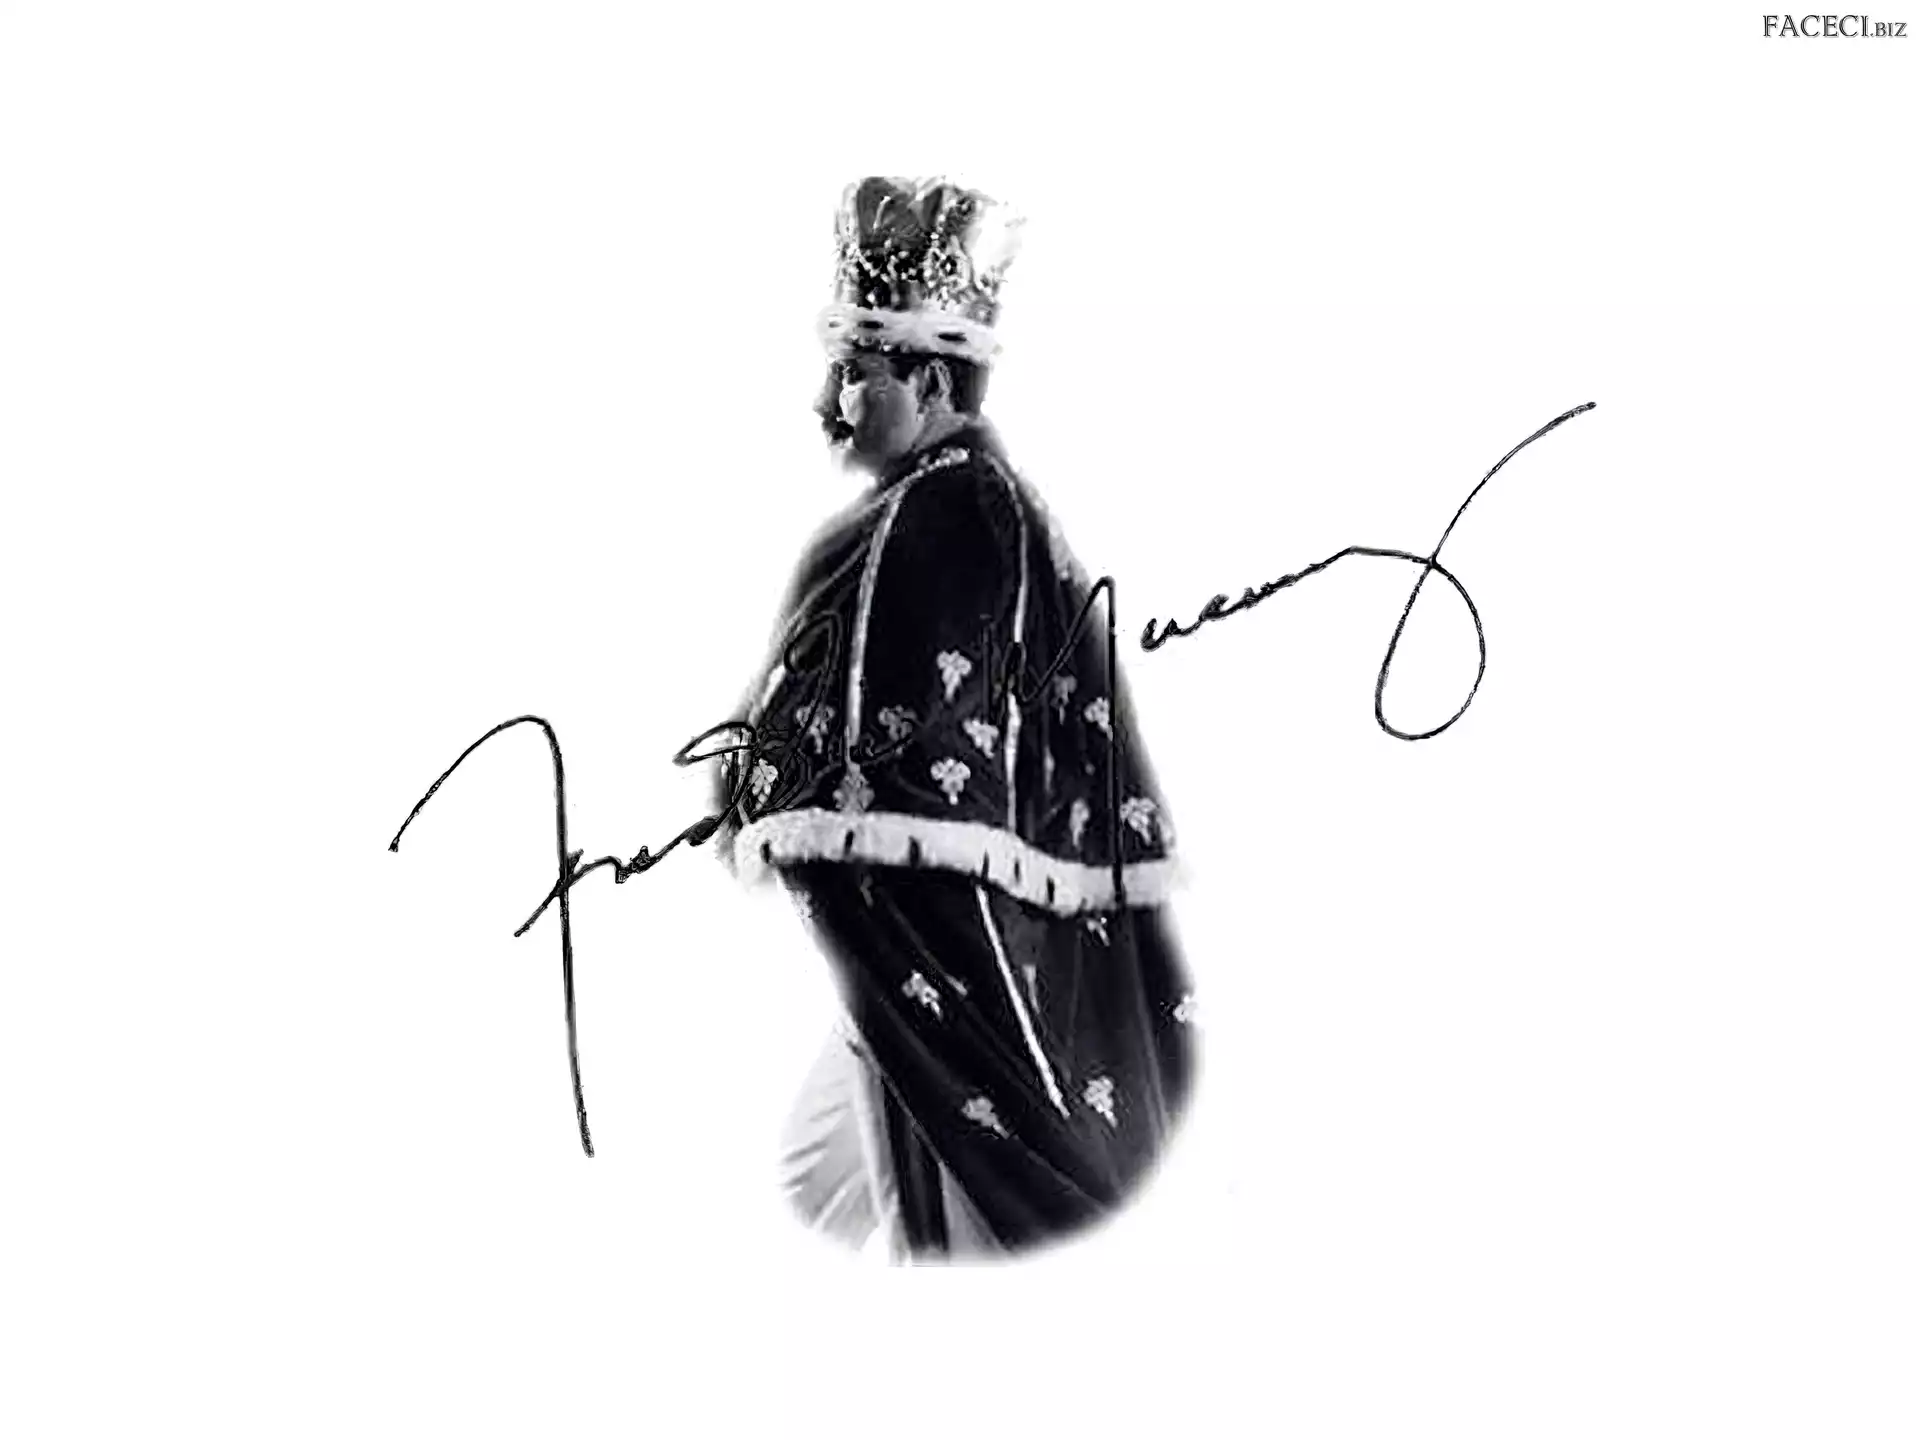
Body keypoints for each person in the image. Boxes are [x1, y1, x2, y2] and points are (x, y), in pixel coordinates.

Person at [713, 176, 1196, 1262]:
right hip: (915, 948)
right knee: (814, 1182)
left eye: (857, 372)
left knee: (940, 1228)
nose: (830, 400)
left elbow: (900, 749)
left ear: (929, 380)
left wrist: (770, 784)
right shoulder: (955, 506)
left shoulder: (948, 512)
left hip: (938, 948)